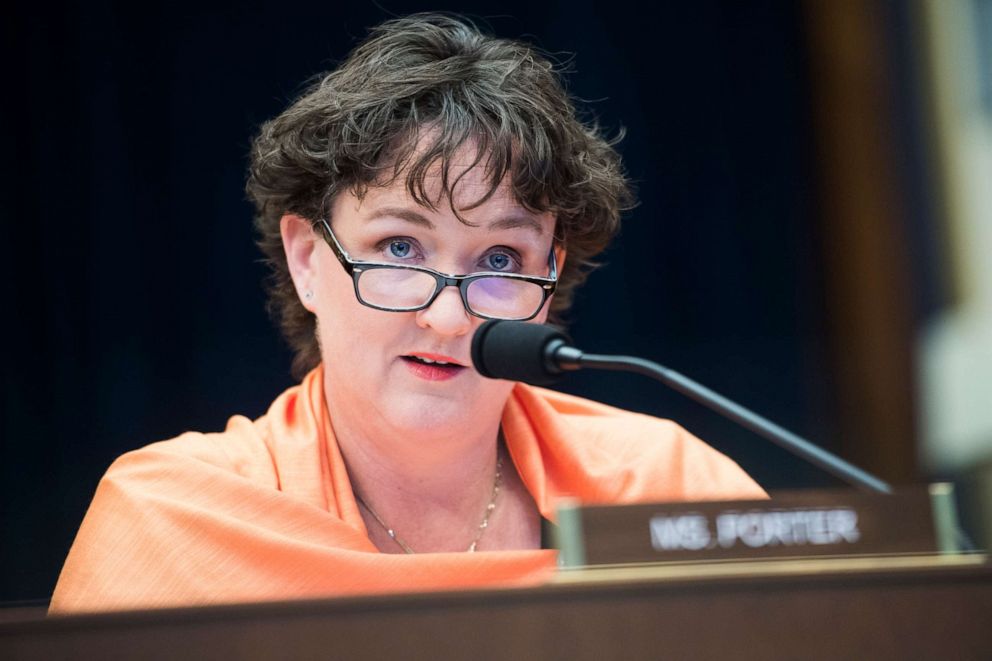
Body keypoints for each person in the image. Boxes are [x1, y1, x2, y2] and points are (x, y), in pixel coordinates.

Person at [50, 13, 765, 614]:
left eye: (499, 261)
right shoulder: (174, 522)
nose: (449, 317)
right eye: (400, 245)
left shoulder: (667, 491)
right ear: (307, 258)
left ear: (549, 280)